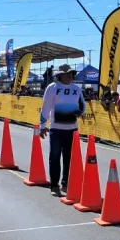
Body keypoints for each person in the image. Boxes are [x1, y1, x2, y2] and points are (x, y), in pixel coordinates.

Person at [39, 64, 86, 196]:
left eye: (71, 73)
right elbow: (45, 108)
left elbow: (83, 104)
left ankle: (66, 183)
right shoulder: (52, 88)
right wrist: (42, 126)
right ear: (60, 75)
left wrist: (80, 112)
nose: (69, 75)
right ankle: (54, 185)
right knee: (54, 157)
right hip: (56, 129)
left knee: (69, 158)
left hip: (72, 129)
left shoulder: (76, 89)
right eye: (66, 73)